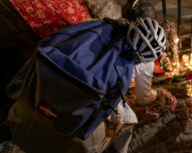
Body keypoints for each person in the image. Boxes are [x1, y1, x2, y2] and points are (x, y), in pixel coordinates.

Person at [6, 15, 166, 153]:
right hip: (61, 141)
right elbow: (140, 99)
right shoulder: (124, 73)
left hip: (20, 113)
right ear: (143, 58)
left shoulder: (92, 28)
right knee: (128, 120)